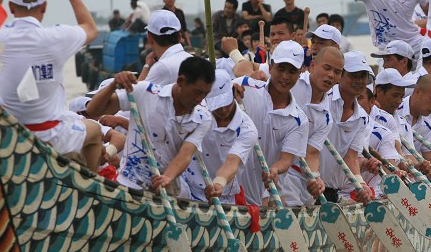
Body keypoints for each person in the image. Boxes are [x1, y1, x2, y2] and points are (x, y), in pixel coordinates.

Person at [0, 0, 102, 168]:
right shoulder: (56, 37)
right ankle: (89, 187)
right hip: (51, 135)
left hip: (10, 135)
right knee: (95, 131)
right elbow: (90, 28)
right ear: (44, 6)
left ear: (10, 8)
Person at [84, 56, 215, 197]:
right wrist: (113, 85)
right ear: (181, 81)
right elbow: (93, 110)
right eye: (197, 92)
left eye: (205, 94)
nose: (200, 99)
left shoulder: (203, 117)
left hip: (168, 189)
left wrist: (168, 177)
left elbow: (186, 154)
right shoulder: (145, 92)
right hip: (129, 185)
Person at [233, 41, 309, 206]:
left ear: (300, 72)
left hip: (262, 195)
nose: (285, 77)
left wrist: (275, 170)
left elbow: (286, 159)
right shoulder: (246, 86)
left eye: (292, 71)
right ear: (271, 66)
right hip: (227, 189)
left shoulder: (299, 119)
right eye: (281, 69)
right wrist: (227, 93)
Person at [282, 47, 345, 206]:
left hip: (298, 181)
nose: (331, 75)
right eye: (327, 68)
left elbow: (312, 153)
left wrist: (315, 178)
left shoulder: (326, 117)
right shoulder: (292, 84)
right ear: (312, 66)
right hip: (273, 173)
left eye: (337, 72)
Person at [184, 70, 258, 205]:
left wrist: (218, 184)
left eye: (226, 103)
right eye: (217, 106)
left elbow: (231, 162)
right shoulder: (198, 111)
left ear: (233, 93)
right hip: (188, 186)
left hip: (222, 194)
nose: (223, 110)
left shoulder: (247, 129)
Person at [319, 51, 374, 203]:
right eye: (353, 75)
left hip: (331, 192)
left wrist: (360, 184)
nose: (359, 81)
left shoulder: (362, 118)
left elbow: (351, 157)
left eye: (363, 76)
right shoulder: (323, 98)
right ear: (340, 76)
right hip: (306, 184)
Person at [137, 10, 192, 85]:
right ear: (180, 37)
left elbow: (135, 94)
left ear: (149, 38)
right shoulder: (191, 59)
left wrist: (146, 66)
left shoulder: (162, 67)